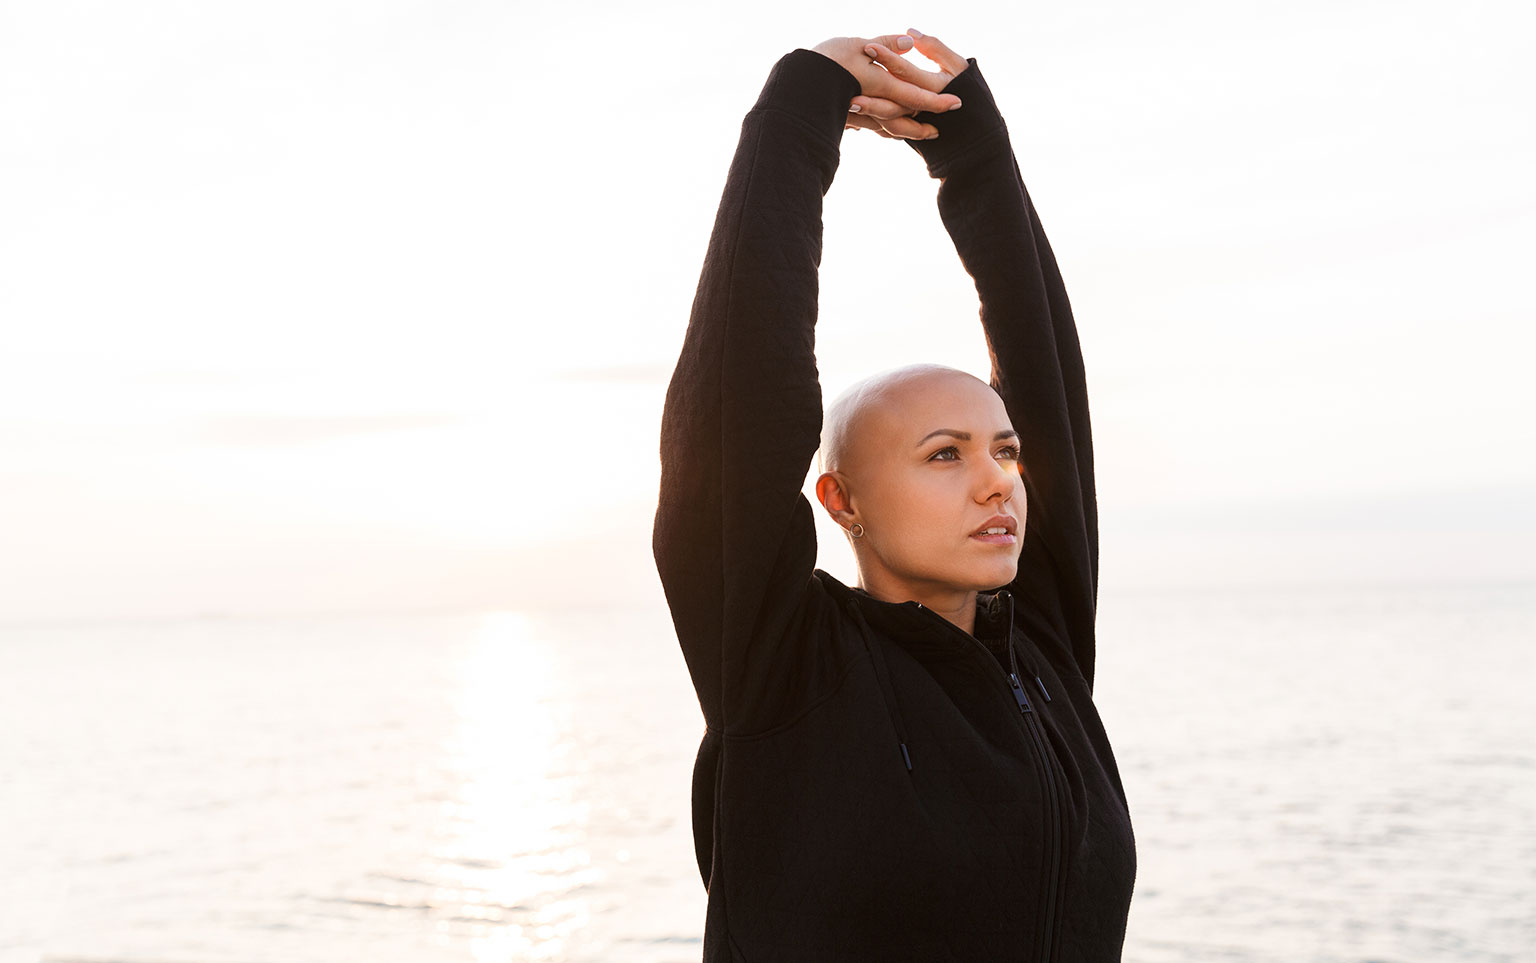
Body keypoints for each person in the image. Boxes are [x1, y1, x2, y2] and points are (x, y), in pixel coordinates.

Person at [653, 28, 1136, 961]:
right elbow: (736, 415)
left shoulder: (1042, 654)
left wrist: (975, 157)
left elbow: (1048, 382)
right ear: (842, 501)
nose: (999, 477)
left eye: (1003, 450)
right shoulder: (782, 668)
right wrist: (802, 112)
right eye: (944, 455)